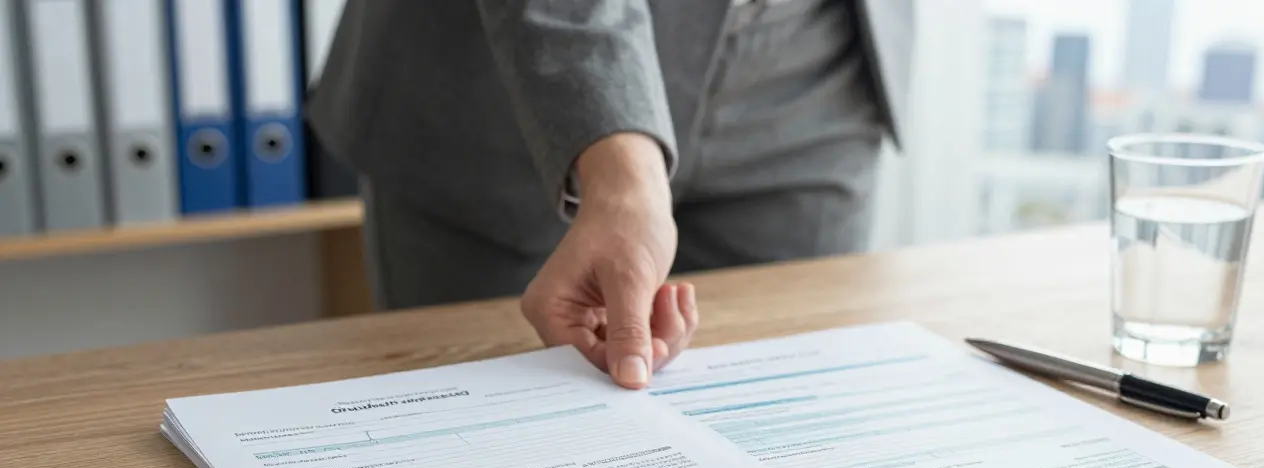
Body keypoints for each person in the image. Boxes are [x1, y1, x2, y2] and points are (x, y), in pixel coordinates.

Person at [306, 0, 913, 389]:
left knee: (796, 433)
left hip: (816, 69)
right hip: (500, 95)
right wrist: (622, 179)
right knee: (493, 460)